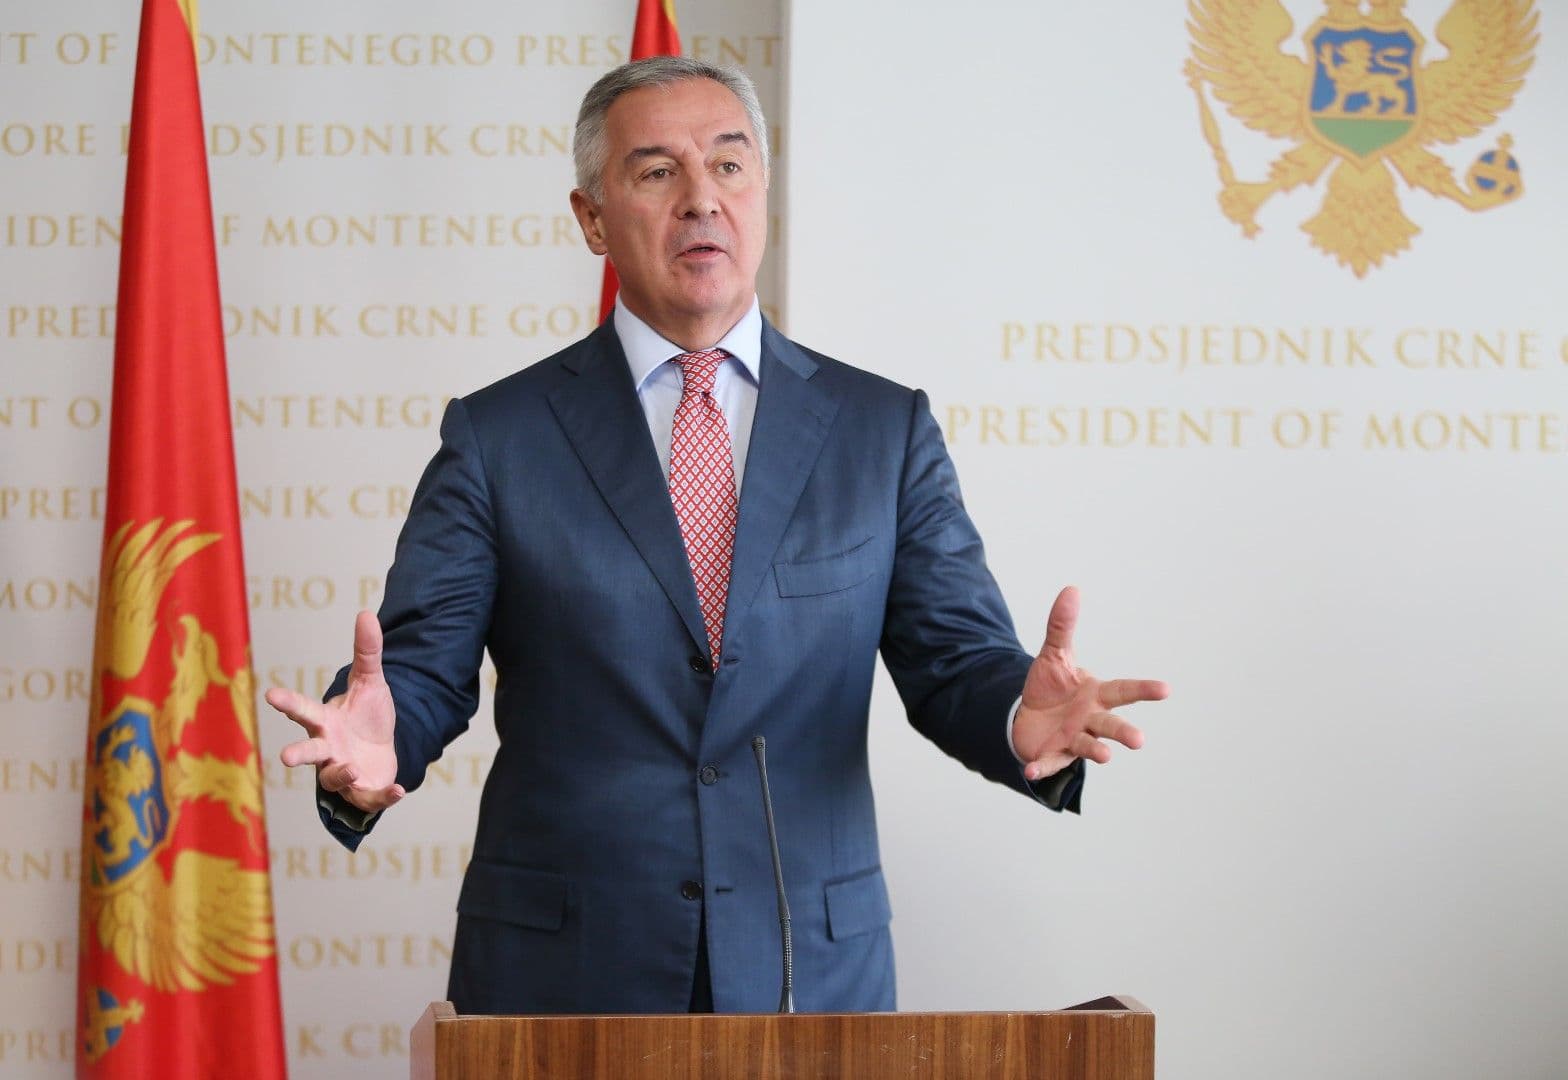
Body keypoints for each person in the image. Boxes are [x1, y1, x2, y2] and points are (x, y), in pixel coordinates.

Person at [264, 56, 1168, 1015]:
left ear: (763, 194)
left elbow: (954, 660)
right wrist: (378, 740)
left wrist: (1017, 715)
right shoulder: (500, 436)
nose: (702, 198)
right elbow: (421, 670)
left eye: (729, 166)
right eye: (657, 171)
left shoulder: (881, 430)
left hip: (808, 970)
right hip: (563, 978)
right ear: (591, 219)